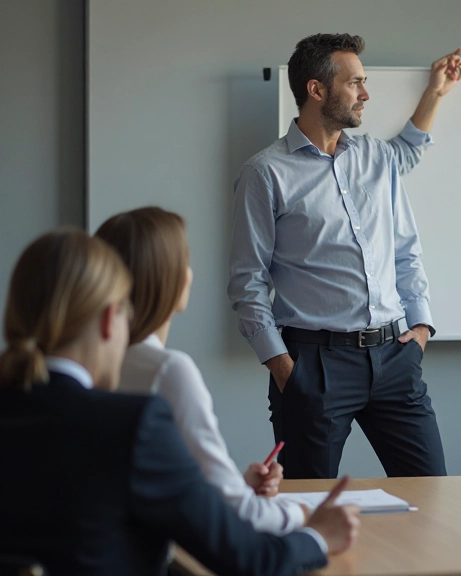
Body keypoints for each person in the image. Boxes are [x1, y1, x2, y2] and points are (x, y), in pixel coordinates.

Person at [0, 229, 360, 575]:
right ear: (111, 320)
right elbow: (248, 559)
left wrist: (218, 490)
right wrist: (318, 535)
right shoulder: (133, 425)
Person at [228, 33, 461, 479]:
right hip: (314, 365)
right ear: (316, 90)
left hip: (396, 357)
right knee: (307, 505)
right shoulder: (265, 173)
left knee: (433, 494)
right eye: (355, 83)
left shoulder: (376, 158)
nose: (365, 93)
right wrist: (283, 368)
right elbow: (247, 280)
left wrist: (422, 326)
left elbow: (405, 250)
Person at [96, 207, 305, 534]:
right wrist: (305, 515)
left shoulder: (95, 365)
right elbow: (238, 514)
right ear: (171, 278)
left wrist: (236, 483)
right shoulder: (167, 371)